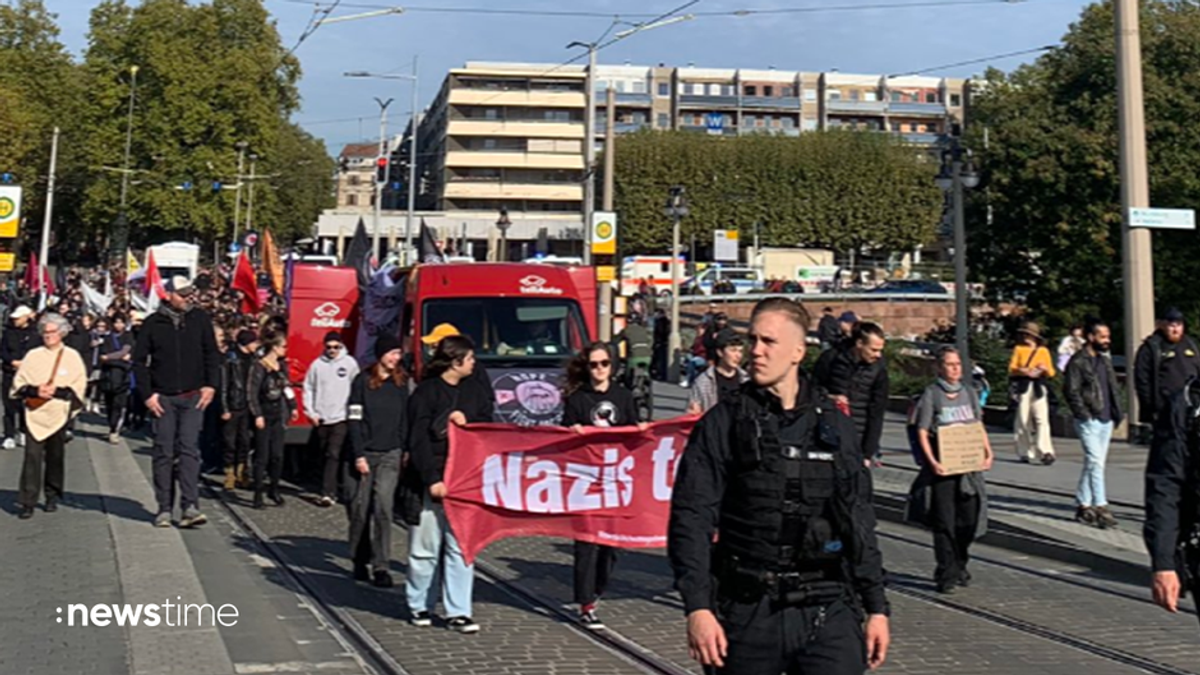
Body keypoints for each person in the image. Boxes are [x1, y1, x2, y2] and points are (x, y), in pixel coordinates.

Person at [668, 297, 890, 674]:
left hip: (827, 604)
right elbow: (692, 517)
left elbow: (858, 519)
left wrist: (876, 606)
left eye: (768, 342)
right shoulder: (724, 422)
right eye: (752, 340)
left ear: (797, 351)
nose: (755, 351)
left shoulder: (834, 426)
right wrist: (698, 607)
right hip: (748, 608)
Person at [406, 335, 492, 634]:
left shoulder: (476, 391)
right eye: (469, 359)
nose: (473, 364)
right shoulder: (425, 393)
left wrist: (468, 420)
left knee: (461, 548)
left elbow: (487, 426)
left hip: (465, 482)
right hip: (434, 479)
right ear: (456, 361)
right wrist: (432, 478)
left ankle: (458, 611)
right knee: (425, 548)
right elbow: (417, 439)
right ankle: (420, 604)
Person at [561, 342, 647, 629]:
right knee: (586, 544)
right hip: (585, 481)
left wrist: (643, 431)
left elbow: (634, 433)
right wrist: (571, 433)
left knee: (610, 546)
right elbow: (561, 438)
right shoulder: (577, 399)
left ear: (612, 365)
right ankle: (586, 603)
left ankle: (596, 591)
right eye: (593, 365)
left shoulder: (623, 396)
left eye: (604, 364)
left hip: (615, 479)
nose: (599, 370)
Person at [132, 276, 220, 529]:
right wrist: (147, 395)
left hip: (193, 395)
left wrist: (211, 385)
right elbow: (139, 361)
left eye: (189, 293)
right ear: (168, 294)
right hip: (164, 397)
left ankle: (190, 506)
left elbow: (211, 354)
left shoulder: (200, 319)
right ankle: (164, 507)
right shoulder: (152, 323)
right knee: (163, 451)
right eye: (182, 294)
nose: (187, 298)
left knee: (189, 448)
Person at [908, 347, 992, 594]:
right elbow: (922, 430)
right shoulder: (932, 394)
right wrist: (932, 462)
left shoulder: (969, 392)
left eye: (958, 364)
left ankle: (960, 562)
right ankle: (946, 572)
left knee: (968, 521)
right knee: (944, 522)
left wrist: (988, 451)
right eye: (950, 364)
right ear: (939, 367)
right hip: (943, 468)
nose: (956, 368)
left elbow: (977, 423)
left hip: (968, 468)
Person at [346, 333, 407, 587]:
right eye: (392, 353)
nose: (396, 358)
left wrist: (403, 447)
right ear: (381, 354)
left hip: (390, 453)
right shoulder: (362, 381)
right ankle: (360, 559)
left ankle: (382, 566)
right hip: (366, 454)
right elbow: (354, 419)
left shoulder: (402, 383)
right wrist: (359, 453)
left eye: (398, 354)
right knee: (360, 510)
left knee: (383, 507)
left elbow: (406, 417)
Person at [11, 313, 86, 519]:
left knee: (55, 456)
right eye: (45, 332)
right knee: (32, 457)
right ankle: (28, 500)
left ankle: (52, 494)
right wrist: (36, 391)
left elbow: (79, 385)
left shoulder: (71, 356)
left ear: (61, 333)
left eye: (52, 332)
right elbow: (19, 385)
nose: (48, 336)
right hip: (35, 413)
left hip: (58, 412)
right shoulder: (33, 355)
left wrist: (57, 391)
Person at [1064, 319, 1123, 528]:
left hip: (1105, 418)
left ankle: (1083, 504)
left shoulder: (1104, 360)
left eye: (1107, 336)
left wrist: (1117, 412)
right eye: (1103, 336)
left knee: (1094, 463)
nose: (1107, 340)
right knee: (1096, 462)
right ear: (1091, 337)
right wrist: (1083, 414)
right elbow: (1071, 390)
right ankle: (1101, 505)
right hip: (1089, 419)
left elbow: (1112, 387)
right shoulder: (1078, 361)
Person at [814, 321, 890, 465]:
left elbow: (877, 412)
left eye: (880, 350)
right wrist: (829, 397)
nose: (878, 355)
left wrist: (868, 453)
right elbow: (812, 389)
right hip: (827, 433)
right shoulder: (831, 358)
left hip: (857, 437)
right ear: (859, 343)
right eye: (873, 350)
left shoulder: (879, 370)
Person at [303, 330, 360, 506]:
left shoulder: (350, 363)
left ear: (341, 346)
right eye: (329, 347)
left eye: (336, 347)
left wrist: (353, 413)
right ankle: (333, 486)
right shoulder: (317, 365)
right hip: (322, 417)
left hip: (341, 416)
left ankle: (329, 492)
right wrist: (311, 412)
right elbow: (309, 388)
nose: (332, 350)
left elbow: (357, 388)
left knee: (334, 453)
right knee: (325, 453)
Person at [1135, 307, 1200, 443]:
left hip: (1191, 409)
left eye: (1179, 325)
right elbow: (1142, 380)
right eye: (1171, 325)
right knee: (1168, 450)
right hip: (1166, 409)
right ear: (1162, 325)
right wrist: (1152, 407)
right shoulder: (1152, 347)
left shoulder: (1190, 344)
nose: (1175, 330)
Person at [248, 331, 297, 509]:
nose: (286, 350)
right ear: (275, 347)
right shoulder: (259, 366)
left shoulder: (281, 366)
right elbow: (252, 392)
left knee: (277, 455)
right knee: (262, 456)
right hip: (264, 412)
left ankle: (274, 488)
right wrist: (257, 414)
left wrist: (293, 406)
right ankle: (258, 493)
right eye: (284, 346)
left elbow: (286, 386)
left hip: (278, 414)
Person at [1009, 321, 1057, 465]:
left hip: (1038, 386)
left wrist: (1043, 369)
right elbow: (1011, 368)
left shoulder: (1043, 351)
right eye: (1024, 334)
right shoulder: (1018, 349)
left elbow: (1052, 372)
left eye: (1029, 335)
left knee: (1042, 419)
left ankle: (1045, 451)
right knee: (1023, 419)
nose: (1026, 337)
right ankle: (1025, 451)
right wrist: (1022, 370)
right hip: (1024, 386)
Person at [220, 329, 258, 491]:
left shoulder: (255, 360)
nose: (256, 345)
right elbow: (224, 385)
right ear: (246, 343)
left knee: (244, 441)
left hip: (247, 406)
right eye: (254, 342)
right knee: (229, 442)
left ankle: (242, 472)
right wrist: (225, 408)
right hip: (233, 405)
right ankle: (229, 473)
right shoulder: (230, 359)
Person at [1, 305, 40, 449]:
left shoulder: (35, 334)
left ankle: (23, 432)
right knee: (9, 405)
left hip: (28, 375)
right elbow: (3, 350)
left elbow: (39, 353)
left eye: (18, 318)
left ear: (26, 318)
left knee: (25, 405)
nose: (15, 320)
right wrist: (11, 361)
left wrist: (26, 363)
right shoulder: (8, 333)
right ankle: (9, 435)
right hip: (9, 372)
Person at [686, 330, 747, 415]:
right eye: (733, 350)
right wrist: (693, 413)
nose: (738, 355)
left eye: (740, 351)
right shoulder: (703, 382)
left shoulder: (746, 379)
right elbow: (691, 414)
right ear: (720, 352)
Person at [97, 315, 135, 443]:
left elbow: (126, 352)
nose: (118, 325)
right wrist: (115, 358)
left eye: (121, 322)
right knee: (109, 403)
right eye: (116, 322)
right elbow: (102, 357)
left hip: (123, 375)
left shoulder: (128, 337)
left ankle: (114, 430)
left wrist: (110, 357)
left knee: (119, 404)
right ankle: (111, 425)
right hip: (108, 375)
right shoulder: (107, 338)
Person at [651, 308, 670, 381]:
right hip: (664, 342)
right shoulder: (666, 321)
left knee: (661, 359)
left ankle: (661, 374)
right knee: (662, 359)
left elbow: (660, 332)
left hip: (660, 342)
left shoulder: (660, 322)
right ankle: (662, 374)